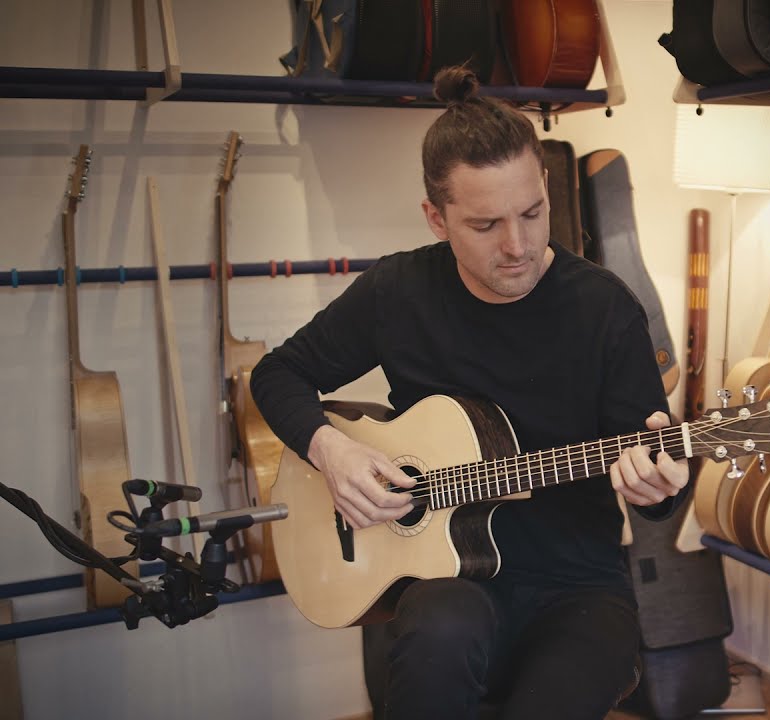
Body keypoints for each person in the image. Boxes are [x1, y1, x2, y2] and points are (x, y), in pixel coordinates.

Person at [250, 65, 689, 720]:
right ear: (436, 217)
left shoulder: (606, 312)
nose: (517, 245)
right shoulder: (398, 293)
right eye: (486, 226)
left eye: (533, 213)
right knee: (437, 639)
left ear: (544, 187)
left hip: (577, 588)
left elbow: (656, 489)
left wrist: (658, 489)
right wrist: (331, 452)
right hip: (447, 580)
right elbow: (275, 375)